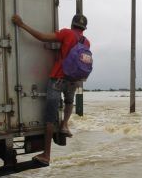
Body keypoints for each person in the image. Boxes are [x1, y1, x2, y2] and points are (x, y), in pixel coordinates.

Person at [11, 13, 89, 166]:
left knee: (49, 116)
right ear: (84, 28)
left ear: (73, 24)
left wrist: (22, 25)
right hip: (73, 80)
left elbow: (42, 37)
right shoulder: (86, 42)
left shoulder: (66, 33)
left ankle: (46, 154)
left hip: (58, 78)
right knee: (68, 101)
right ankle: (65, 124)